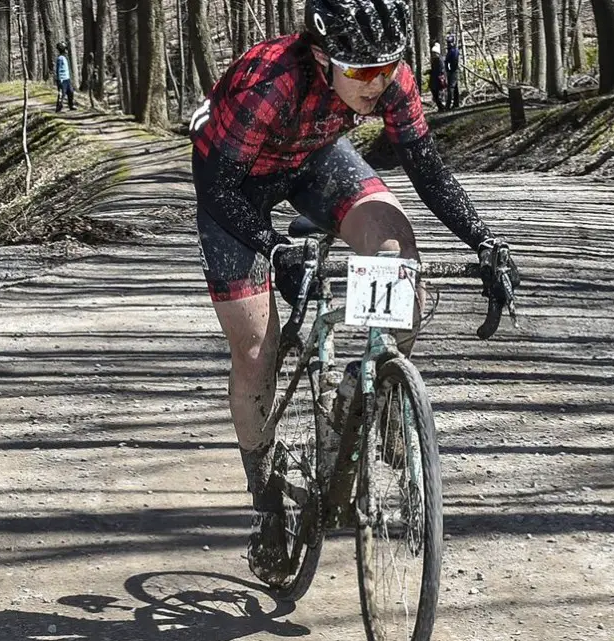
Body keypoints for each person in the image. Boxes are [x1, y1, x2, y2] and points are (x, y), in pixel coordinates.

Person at [188, 0, 519, 585]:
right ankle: (265, 500)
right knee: (255, 349)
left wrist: (485, 241)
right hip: (234, 187)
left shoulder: (385, 75)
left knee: (394, 247)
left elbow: (425, 165)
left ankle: (367, 389)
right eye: (363, 73)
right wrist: (273, 249)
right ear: (322, 57)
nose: (380, 83)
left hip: (314, 162)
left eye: (390, 68)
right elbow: (215, 186)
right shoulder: (269, 82)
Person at [54, 42, 75, 112]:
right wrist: (59, 79)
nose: (67, 51)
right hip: (62, 79)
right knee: (62, 93)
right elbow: (58, 69)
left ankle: (71, 105)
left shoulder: (66, 57)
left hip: (67, 78)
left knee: (70, 92)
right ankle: (59, 106)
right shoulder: (60, 58)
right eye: (65, 49)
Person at [444, 33, 461, 109]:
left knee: (451, 88)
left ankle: (448, 104)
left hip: (453, 71)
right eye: (448, 43)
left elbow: (452, 61)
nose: (449, 44)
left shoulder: (454, 51)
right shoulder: (451, 51)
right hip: (452, 70)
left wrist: (449, 69)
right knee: (455, 87)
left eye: (450, 42)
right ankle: (456, 103)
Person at [429, 41, 447, 111]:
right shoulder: (435, 60)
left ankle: (442, 107)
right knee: (435, 94)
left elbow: (441, 70)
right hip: (434, 79)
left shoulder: (440, 60)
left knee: (438, 94)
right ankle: (440, 107)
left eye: (434, 53)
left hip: (437, 80)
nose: (433, 54)